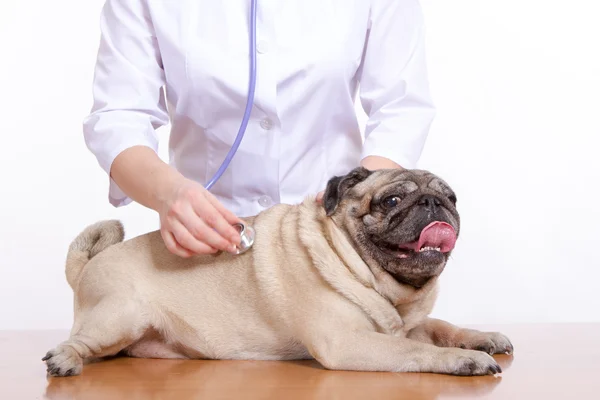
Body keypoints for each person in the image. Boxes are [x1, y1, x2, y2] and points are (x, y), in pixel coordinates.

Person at [82, 0, 436, 258]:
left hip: (337, 244)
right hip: (207, 248)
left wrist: (353, 206)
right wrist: (168, 193)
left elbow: (400, 108)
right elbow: (118, 117)